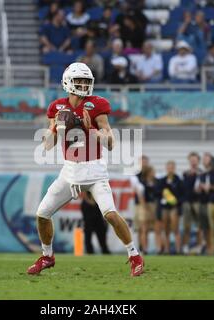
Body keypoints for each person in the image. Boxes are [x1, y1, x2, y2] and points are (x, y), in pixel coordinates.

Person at [27, 62, 144, 276]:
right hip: (69, 170)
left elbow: (110, 142)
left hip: (94, 170)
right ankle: (47, 256)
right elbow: (47, 144)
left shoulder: (96, 105)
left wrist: (91, 129)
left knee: (110, 214)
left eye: (86, 81)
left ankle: (134, 255)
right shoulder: (57, 107)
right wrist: (55, 127)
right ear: (67, 82)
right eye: (79, 80)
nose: (82, 84)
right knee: (42, 214)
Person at [156, 161, 184, 255]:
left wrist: (176, 201)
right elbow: (158, 192)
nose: (170, 169)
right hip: (164, 208)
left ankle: (178, 250)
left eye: (172, 167)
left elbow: (182, 194)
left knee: (175, 229)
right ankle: (167, 250)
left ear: (174, 168)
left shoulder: (178, 180)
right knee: (166, 229)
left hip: (174, 208)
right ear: (166, 168)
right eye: (168, 167)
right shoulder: (162, 180)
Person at [182, 152, 203, 255]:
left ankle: (199, 246)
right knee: (187, 226)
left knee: (199, 226)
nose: (193, 162)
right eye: (191, 160)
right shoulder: (185, 173)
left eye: (195, 160)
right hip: (187, 202)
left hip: (198, 202)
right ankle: (186, 246)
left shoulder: (202, 173)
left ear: (198, 161)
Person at [135, 165, 158, 255]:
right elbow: (140, 196)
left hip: (152, 205)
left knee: (148, 229)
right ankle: (143, 248)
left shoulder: (155, 182)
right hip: (144, 206)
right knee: (143, 228)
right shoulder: (142, 183)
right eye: (152, 172)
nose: (154, 174)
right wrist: (145, 207)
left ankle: (146, 248)